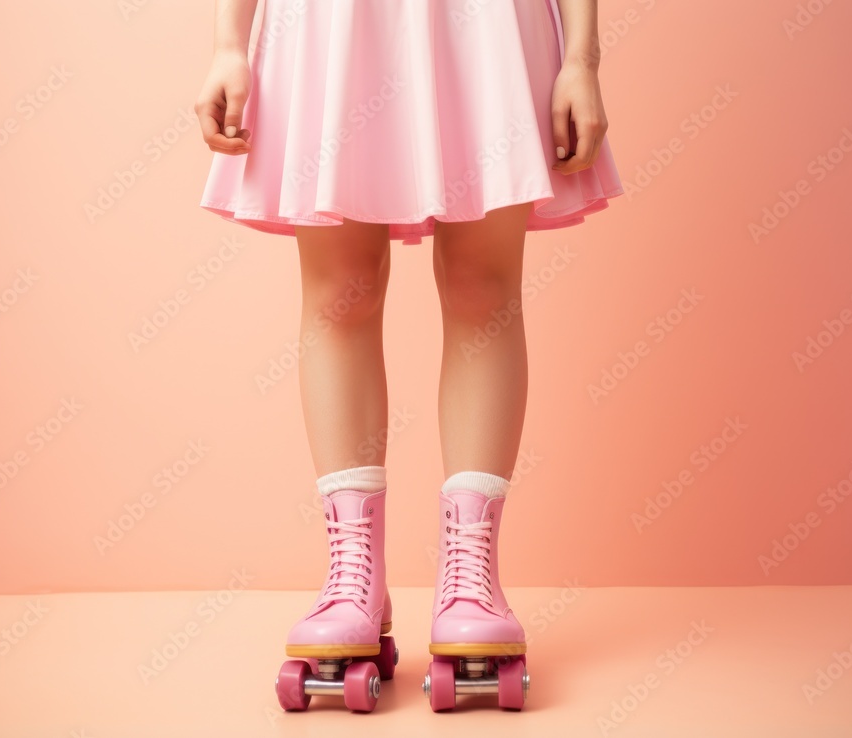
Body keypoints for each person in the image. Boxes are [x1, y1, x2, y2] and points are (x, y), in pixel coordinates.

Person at [194, 0, 624, 712]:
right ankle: (351, 576)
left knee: (483, 287)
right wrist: (226, 43)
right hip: (332, 21)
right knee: (340, 293)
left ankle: (471, 577)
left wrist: (581, 56)